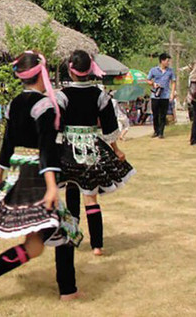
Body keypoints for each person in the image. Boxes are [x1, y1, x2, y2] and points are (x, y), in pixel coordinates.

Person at [0, 51, 81, 308]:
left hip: (19, 171)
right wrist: (51, 187)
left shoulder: (15, 103)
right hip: (36, 176)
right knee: (57, 231)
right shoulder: (45, 106)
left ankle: (68, 289)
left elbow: (7, 142)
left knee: (49, 237)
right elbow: (47, 147)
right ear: (42, 73)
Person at [55, 50, 134, 256]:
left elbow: (56, 126)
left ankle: (71, 238)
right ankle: (97, 245)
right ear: (90, 70)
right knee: (91, 198)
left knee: (72, 190)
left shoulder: (61, 96)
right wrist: (116, 150)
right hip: (92, 148)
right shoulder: (100, 96)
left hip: (69, 149)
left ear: (71, 71)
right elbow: (109, 128)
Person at [146, 53, 176, 138]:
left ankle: (161, 132)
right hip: (155, 95)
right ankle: (156, 130)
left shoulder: (170, 71)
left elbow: (173, 82)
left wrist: (172, 93)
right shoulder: (153, 70)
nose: (168, 62)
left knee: (163, 115)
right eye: (167, 61)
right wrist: (153, 84)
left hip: (165, 95)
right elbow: (147, 80)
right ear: (162, 61)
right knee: (155, 114)